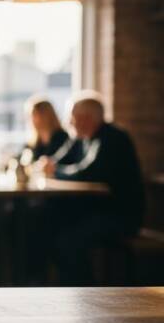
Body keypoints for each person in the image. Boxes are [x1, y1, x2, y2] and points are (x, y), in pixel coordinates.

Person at [39, 94, 145, 285]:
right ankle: (58, 286)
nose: (69, 122)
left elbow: (86, 173)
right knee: (47, 222)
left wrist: (55, 170)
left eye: (73, 117)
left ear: (87, 118)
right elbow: (58, 161)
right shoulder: (81, 138)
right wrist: (52, 166)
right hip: (95, 211)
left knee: (67, 240)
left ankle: (85, 292)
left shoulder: (112, 138)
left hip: (120, 216)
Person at [22, 97, 69, 163]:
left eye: (34, 115)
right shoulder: (32, 144)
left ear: (48, 116)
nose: (31, 119)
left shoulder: (64, 139)